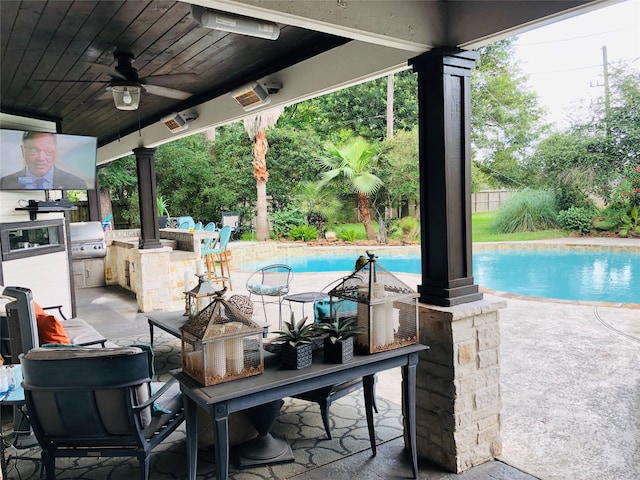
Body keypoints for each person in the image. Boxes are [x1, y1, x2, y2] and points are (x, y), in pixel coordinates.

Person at [0, 131, 88, 190]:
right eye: (33, 150)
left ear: (55, 152)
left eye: (48, 151)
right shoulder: (4, 182)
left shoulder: (77, 184)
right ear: (23, 151)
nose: (41, 158)